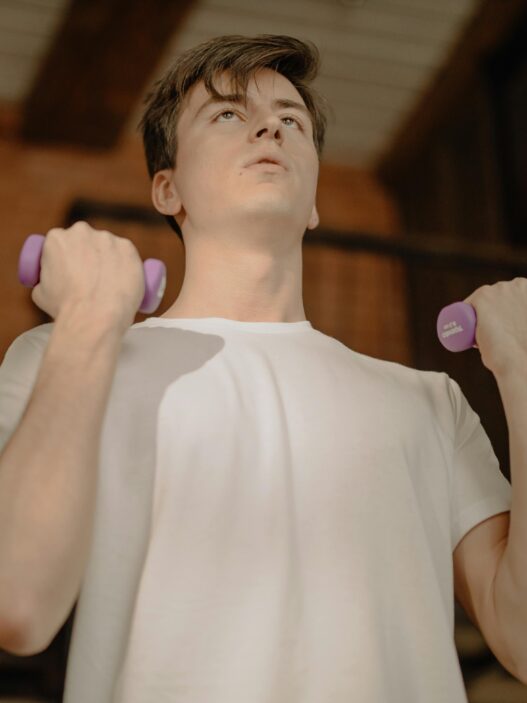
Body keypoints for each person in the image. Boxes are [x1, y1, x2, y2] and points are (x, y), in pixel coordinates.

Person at [0, 34, 512, 703]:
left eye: (290, 120)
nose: (270, 124)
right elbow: (16, 601)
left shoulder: (428, 403)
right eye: (228, 114)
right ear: (166, 187)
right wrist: (92, 317)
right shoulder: (69, 357)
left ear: (316, 202)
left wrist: (523, 372)